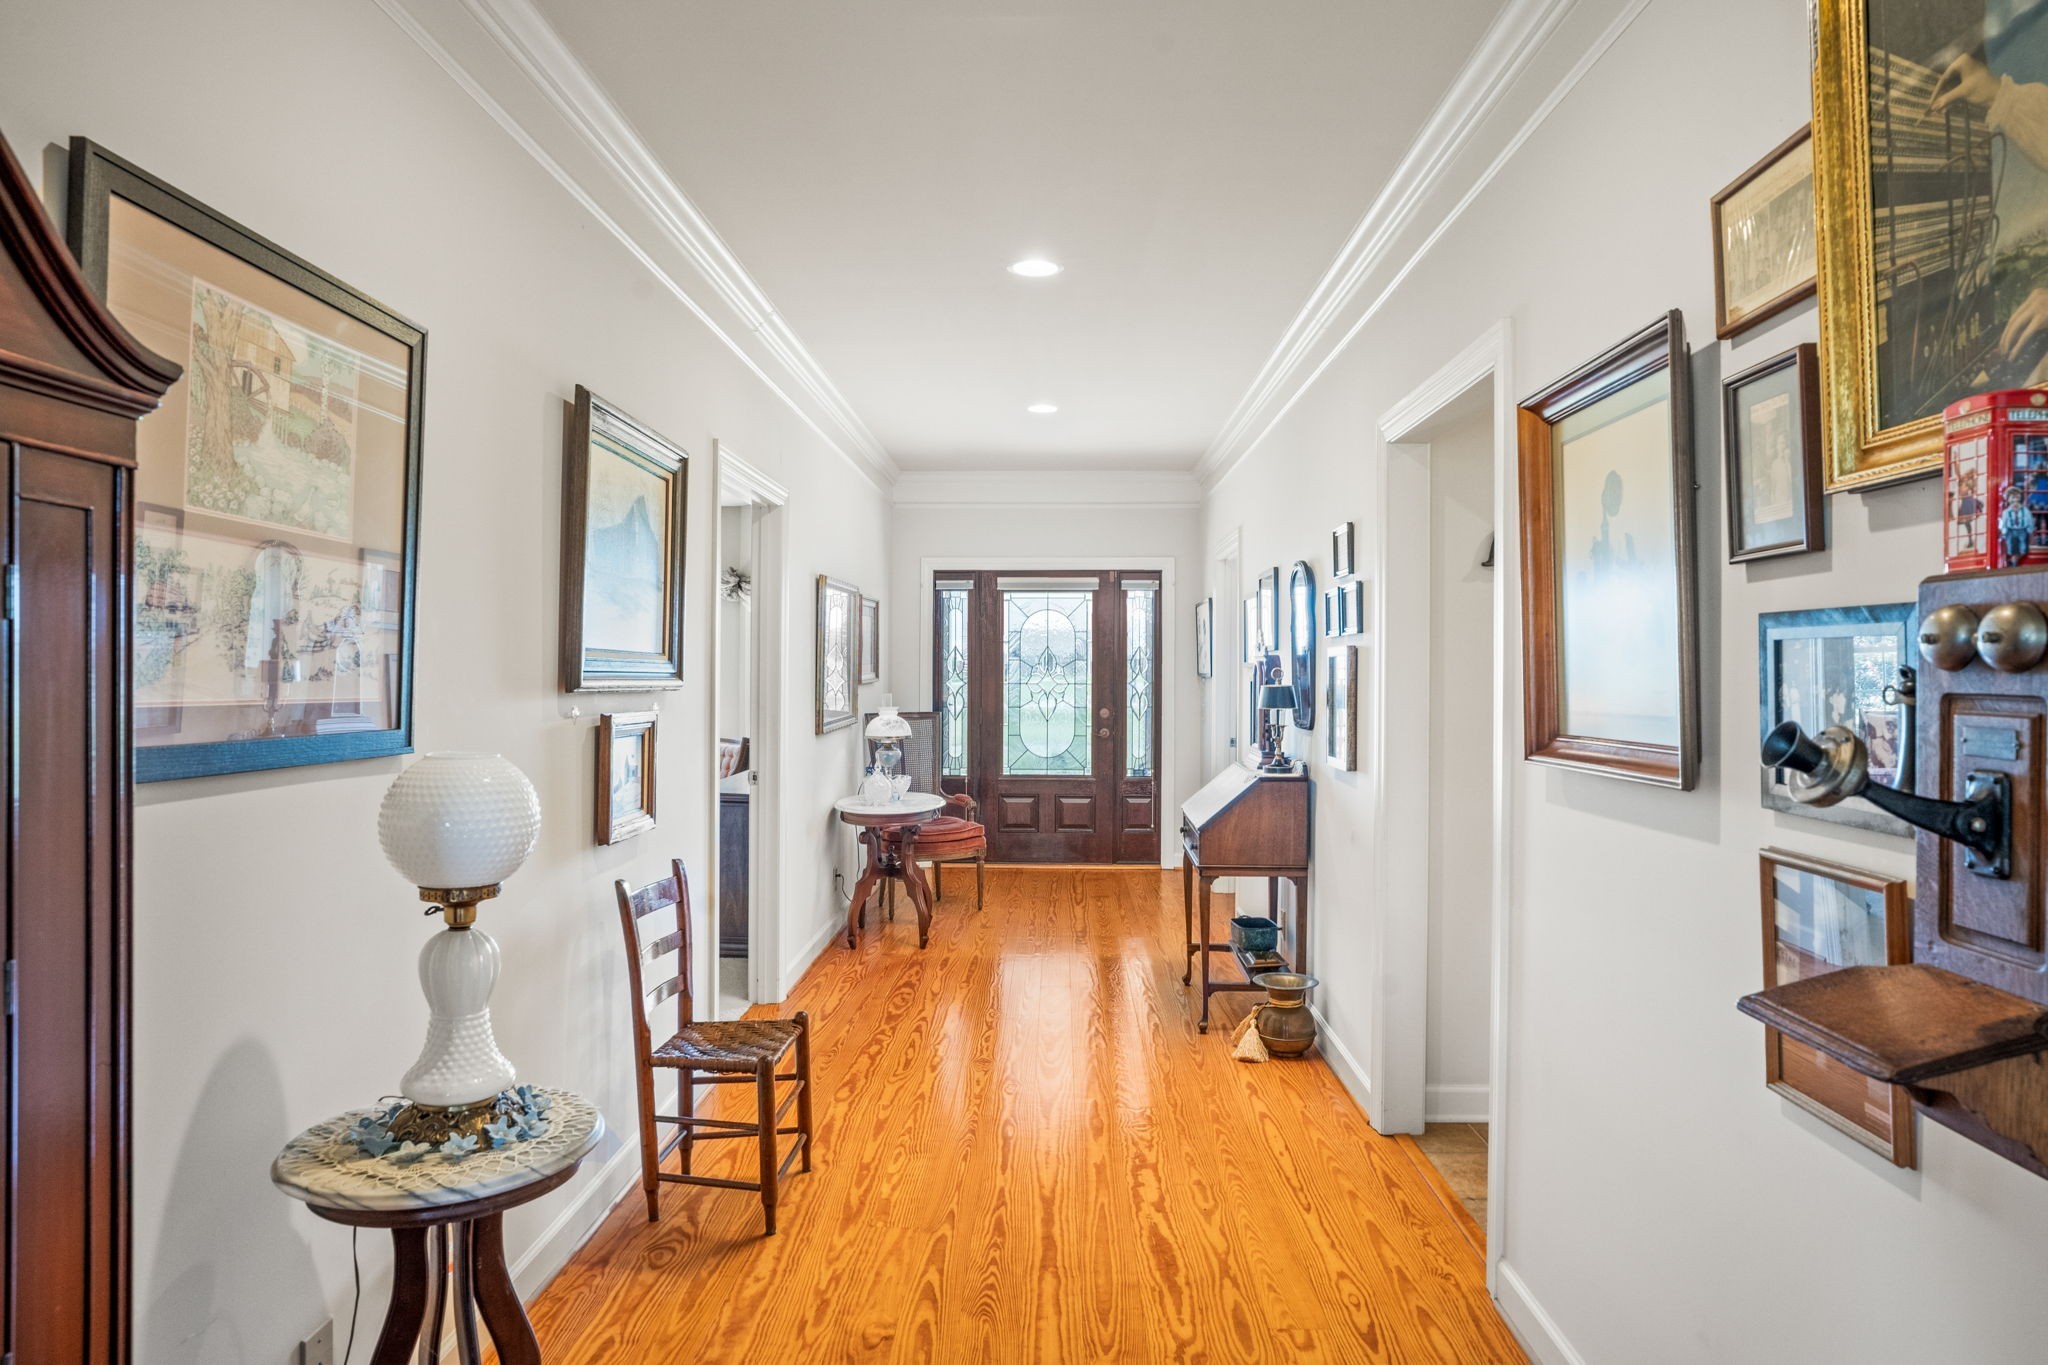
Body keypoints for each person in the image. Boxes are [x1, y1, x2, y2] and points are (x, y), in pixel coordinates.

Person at [2001, 479, 2035, 564]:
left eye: (2017, 500)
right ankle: (2013, 561)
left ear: (2020, 500)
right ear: (2008, 501)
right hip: (2010, 531)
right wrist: (2004, 532)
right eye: (2013, 501)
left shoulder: (2025, 511)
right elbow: (2004, 523)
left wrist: (2030, 531)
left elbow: (2029, 520)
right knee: (2011, 549)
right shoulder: (2006, 512)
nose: (2015, 503)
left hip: (2022, 530)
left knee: (2024, 549)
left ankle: (2014, 560)